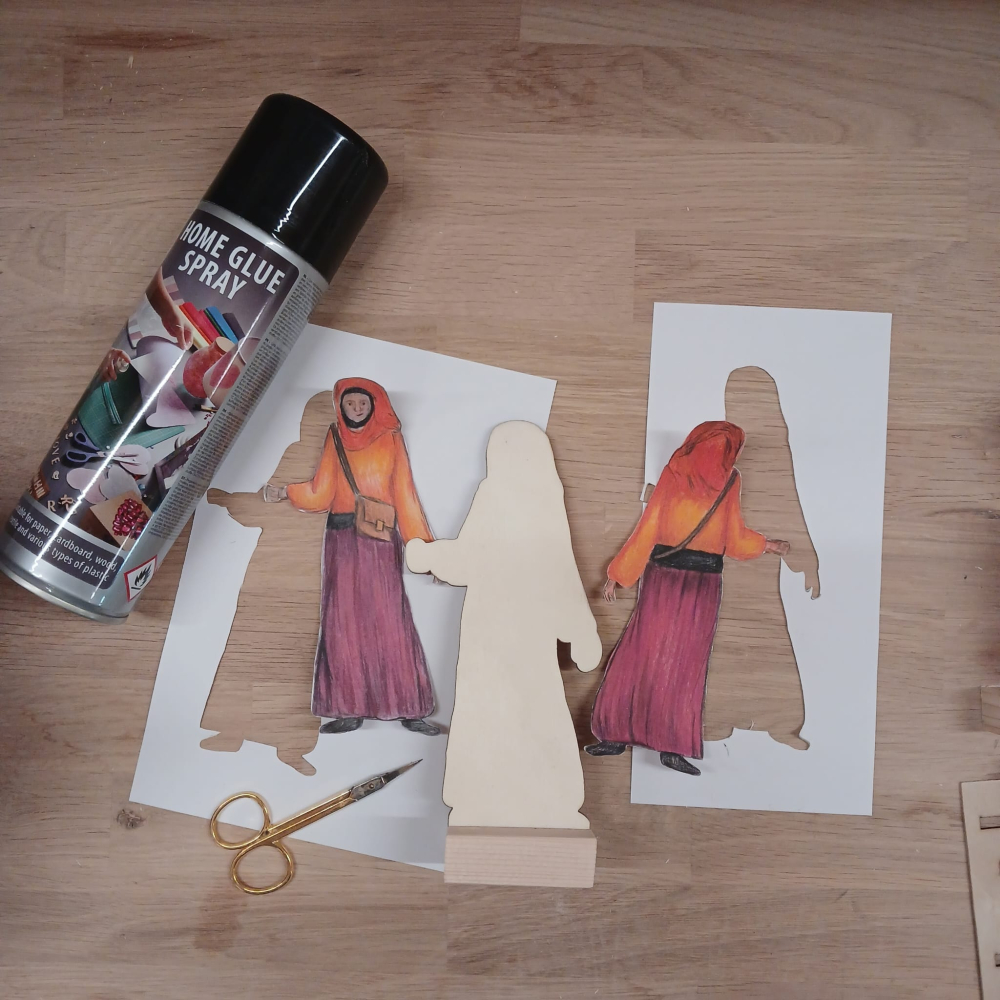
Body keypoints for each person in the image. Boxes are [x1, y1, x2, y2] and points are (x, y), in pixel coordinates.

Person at [407, 421, 603, 828]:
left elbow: (471, 559)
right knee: (525, 708)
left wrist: (426, 556)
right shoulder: (531, 500)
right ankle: (541, 802)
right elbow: (560, 570)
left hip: (497, 627)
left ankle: (499, 800)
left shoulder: (504, 496)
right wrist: (580, 630)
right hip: (515, 629)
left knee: (495, 709)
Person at [586, 420, 789, 775]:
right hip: (698, 583)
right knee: (682, 664)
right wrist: (766, 545)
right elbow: (733, 539)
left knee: (643, 652)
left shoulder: (687, 474)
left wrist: (619, 574)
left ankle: (622, 735)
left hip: (670, 578)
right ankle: (665, 745)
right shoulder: (721, 479)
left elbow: (651, 525)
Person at [266, 378, 441, 736]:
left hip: (379, 540)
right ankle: (348, 708)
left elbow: (404, 494)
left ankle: (409, 707)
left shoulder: (391, 439)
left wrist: (425, 551)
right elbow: (322, 492)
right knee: (342, 622)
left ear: (375, 404)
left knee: (390, 618)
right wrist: (286, 492)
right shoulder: (335, 437)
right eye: (350, 404)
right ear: (341, 406)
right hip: (341, 540)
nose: (357, 409)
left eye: (363, 403)